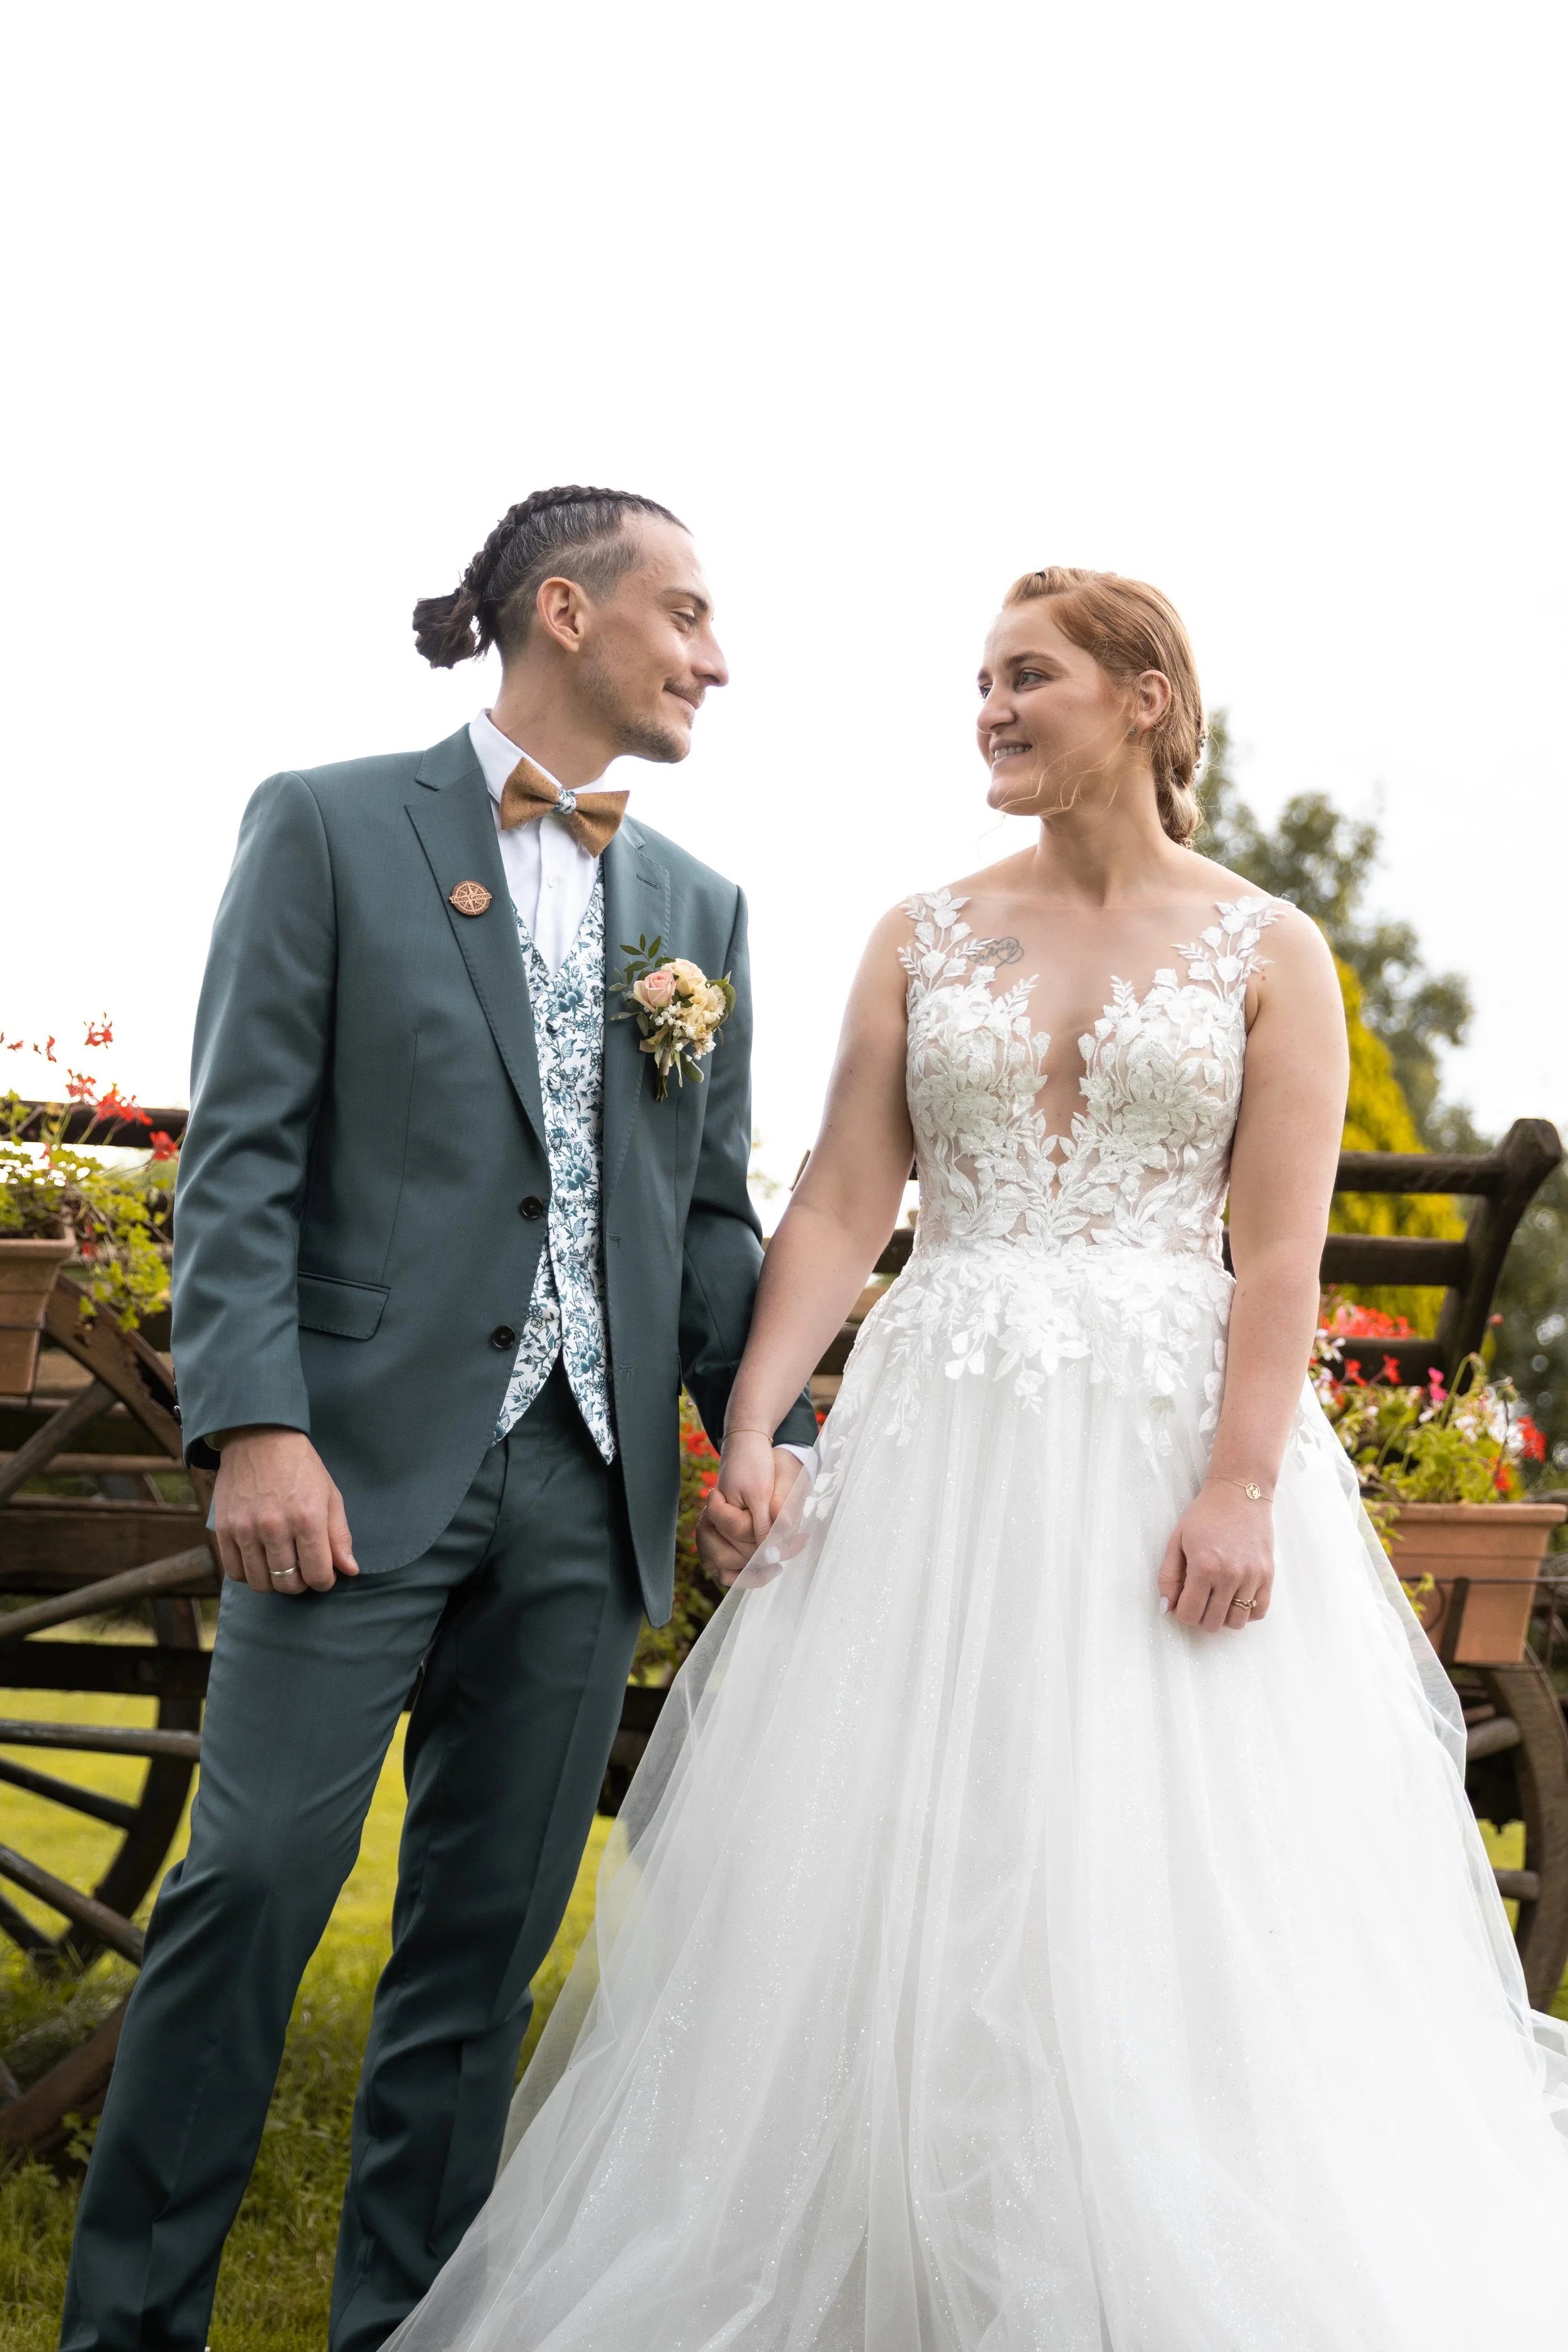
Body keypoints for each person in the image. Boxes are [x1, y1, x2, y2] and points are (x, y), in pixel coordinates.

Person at [384, 566, 1568, 2351]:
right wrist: (761, 1420)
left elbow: (1280, 1254)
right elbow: (846, 1198)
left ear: (1144, 695)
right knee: (918, 1830)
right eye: (979, 683)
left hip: (1166, 1431)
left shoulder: (1270, 948)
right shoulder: (921, 932)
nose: (992, 709)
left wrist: (1242, 1481)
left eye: (1029, 677)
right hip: (943, 1418)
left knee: (1162, 1842)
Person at [59, 486, 818, 2352]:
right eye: (688, 613)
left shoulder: (698, 909)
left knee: (479, 1955)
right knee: (246, 1889)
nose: (716, 655)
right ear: (563, 611)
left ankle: (402, 2323)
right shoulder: (325, 825)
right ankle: (128, 2323)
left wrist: (759, 1426)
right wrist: (252, 1421)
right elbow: (240, 1153)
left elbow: (703, 1219)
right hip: (350, 1470)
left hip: (590, 1491)